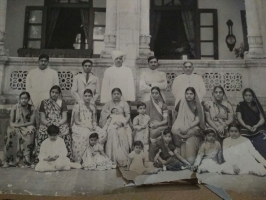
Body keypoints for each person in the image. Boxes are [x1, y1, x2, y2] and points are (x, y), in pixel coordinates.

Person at [34, 85, 72, 163]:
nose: (54, 94)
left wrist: (57, 124)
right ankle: (43, 156)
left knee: (65, 131)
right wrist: (48, 124)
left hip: (59, 123)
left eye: (56, 93)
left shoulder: (62, 102)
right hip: (47, 123)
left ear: (59, 94)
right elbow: (42, 118)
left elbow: (64, 118)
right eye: (52, 92)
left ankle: (65, 156)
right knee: (42, 131)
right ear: (50, 93)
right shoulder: (44, 102)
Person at [99, 88, 132, 166]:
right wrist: (112, 118)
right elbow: (104, 115)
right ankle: (112, 158)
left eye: (118, 94)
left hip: (123, 124)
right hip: (111, 124)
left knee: (122, 132)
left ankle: (122, 158)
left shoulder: (124, 104)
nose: (116, 95)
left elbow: (128, 115)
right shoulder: (108, 104)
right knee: (112, 132)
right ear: (112, 95)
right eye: (114, 94)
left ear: (121, 95)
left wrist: (122, 122)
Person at [171, 87, 205, 164]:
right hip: (181, 127)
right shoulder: (181, 102)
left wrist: (188, 127)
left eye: (191, 94)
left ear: (194, 95)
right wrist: (177, 125)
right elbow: (175, 115)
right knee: (175, 131)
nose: (189, 95)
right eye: (187, 93)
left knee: (191, 160)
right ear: (185, 94)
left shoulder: (197, 104)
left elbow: (197, 120)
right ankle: (181, 156)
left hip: (192, 127)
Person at [71, 89, 106, 163]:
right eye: (86, 96)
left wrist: (94, 125)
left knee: (103, 133)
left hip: (90, 125)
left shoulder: (92, 106)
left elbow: (94, 120)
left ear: (92, 97)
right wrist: (86, 126)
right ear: (83, 96)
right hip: (80, 126)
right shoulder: (78, 105)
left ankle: (96, 154)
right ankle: (82, 158)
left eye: (89, 96)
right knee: (86, 134)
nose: (87, 97)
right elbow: (76, 121)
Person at [2, 92, 36, 168]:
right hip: (16, 127)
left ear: (29, 99)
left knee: (31, 131)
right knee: (12, 132)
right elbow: (11, 122)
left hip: (27, 126)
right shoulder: (15, 107)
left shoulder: (31, 108)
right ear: (19, 99)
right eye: (22, 98)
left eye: (25, 98)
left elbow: (32, 122)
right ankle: (9, 160)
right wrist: (18, 126)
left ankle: (26, 159)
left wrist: (21, 125)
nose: (23, 100)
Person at [26, 54, 59, 126]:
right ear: (38, 61)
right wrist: (30, 102)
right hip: (34, 100)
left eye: (45, 61)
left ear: (48, 62)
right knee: (34, 122)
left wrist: (52, 100)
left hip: (48, 101)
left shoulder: (53, 73)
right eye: (41, 61)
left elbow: (56, 88)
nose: (43, 63)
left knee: (46, 121)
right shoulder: (31, 72)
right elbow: (28, 89)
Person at [236, 88, 266, 159]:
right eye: (246, 95)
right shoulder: (240, 105)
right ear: (243, 96)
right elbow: (239, 118)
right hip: (245, 127)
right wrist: (246, 126)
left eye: (250, 95)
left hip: (257, 127)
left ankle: (262, 159)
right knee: (243, 141)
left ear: (253, 96)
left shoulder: (256, 105)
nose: (248, 97)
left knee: (262, 140)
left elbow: (262, 119)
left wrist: (256, 125)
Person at [144, 87, 169, 161]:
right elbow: (145, 118)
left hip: (161, 125)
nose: (154, 95)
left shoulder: (163, 105)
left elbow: (165, 121)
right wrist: (149, 125)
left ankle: (154, 158)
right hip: (149, 125)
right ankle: (148, 157)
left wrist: (157, 125)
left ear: (159, 94)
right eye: (153, 93)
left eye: (156, 93)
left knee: (154, 133)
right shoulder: (147, 104)